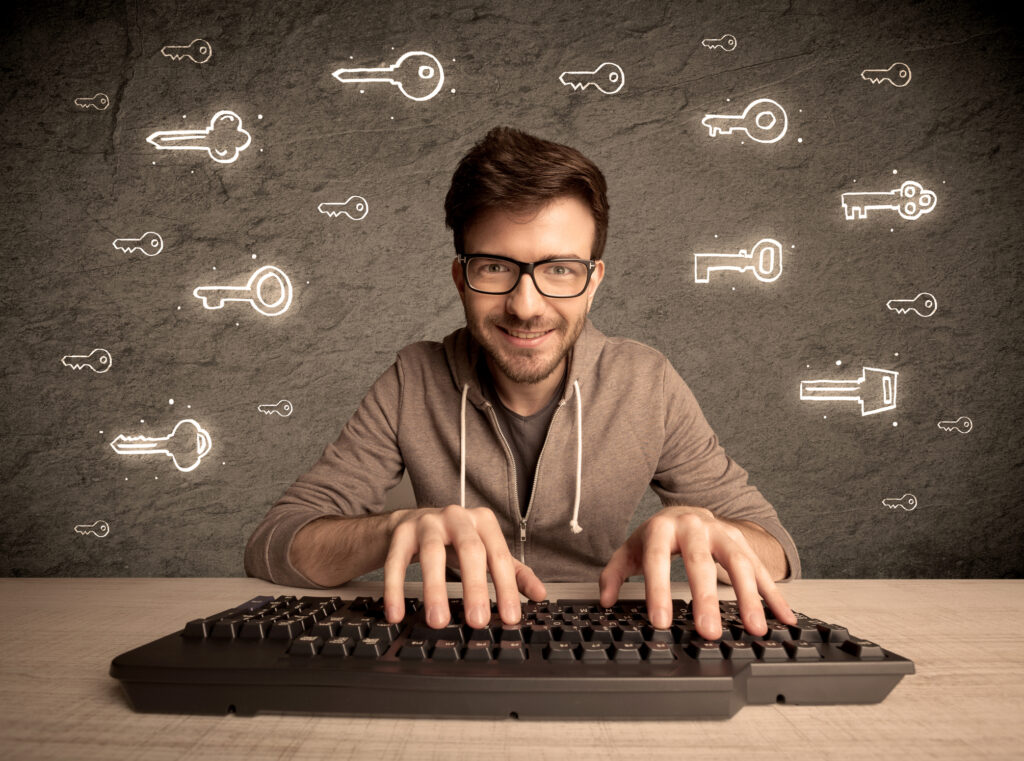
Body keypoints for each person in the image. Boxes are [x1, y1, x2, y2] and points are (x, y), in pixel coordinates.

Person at [245, 126, 800, 641]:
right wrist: (395, 529)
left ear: (592, 281)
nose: (525, 306)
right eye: (494, 267)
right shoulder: (412, 379)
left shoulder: (646, 382)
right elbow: (273, 545)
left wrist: (708, 530)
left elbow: (777, 551)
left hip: (603, 637)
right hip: (449, 637)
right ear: (461, 277)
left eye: (560, 269)